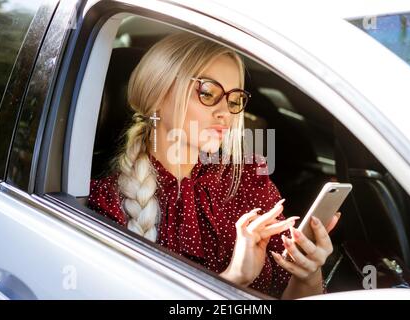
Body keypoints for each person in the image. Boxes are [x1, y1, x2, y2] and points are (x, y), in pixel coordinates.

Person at [88, 32, 340, 299]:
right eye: (208, 93)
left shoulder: (248, 181)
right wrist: (233, 279)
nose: (225, 113)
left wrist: (308, 272)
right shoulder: (107, 203)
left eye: (233, 100)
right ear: (158, 94)